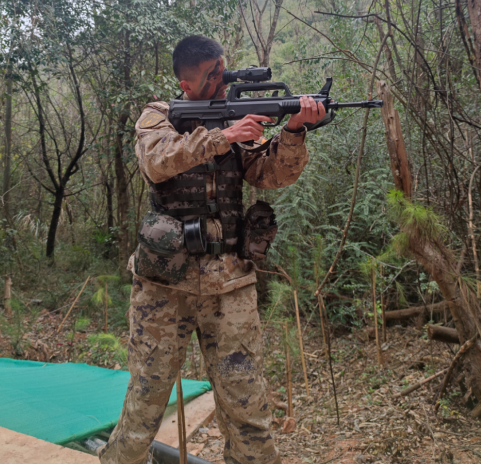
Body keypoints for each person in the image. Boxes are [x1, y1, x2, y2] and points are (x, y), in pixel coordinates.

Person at [99, 35, 325, 464]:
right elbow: (156, 162)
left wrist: (294, 131)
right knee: (144, 406)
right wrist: (223, 136)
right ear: (186, 84)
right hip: (164, 288)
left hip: (231, 286)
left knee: (248, 410)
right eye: (212, 75)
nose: (223, 80)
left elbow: (271, 175)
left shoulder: (235, 117)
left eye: (223, 70)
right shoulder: (158, 115)